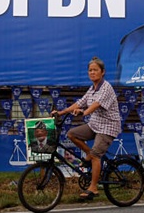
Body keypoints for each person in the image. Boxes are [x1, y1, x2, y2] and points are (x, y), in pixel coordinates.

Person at [52, 56, 121, 200]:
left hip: (108, 127)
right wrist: (61, 112)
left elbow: (95, 104)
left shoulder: (106, 87)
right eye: (90, 70)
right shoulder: (92, 88)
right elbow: (80, 102)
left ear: (102, 72)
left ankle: (94, 187)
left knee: (96, 156)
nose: (92, 73)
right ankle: (90, 154)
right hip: (95, 124)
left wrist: (84, 112)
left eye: (95, 70)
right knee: (72, 134)